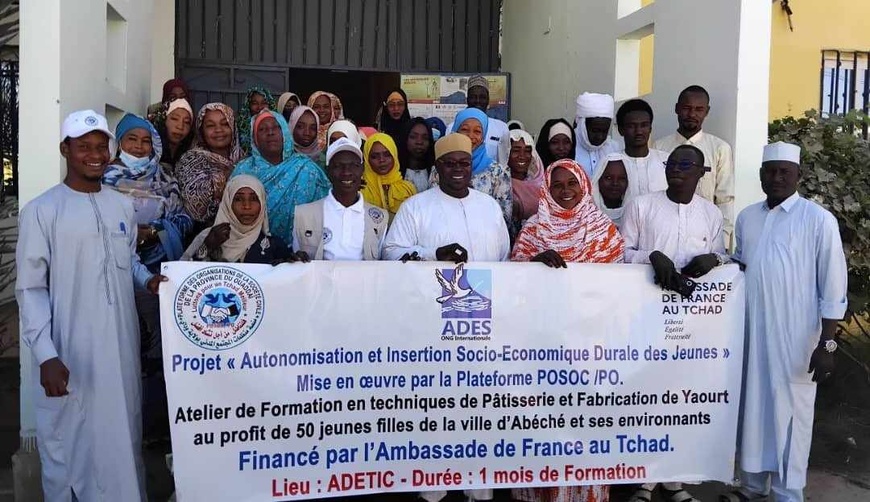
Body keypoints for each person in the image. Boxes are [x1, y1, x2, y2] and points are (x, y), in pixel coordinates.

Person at [16, 110, 165, 501]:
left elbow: (127, 259)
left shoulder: (121, 207)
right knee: (71, 445)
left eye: (101, 147)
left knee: (121, 437)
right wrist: (46, 355)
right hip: (69, 353)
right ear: (66, 149)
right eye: (84, 147)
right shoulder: (42, 211)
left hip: (119, 349)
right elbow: (31, 289)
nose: (95, 155)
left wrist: (147, 280)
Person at [721, 142, 847, 502]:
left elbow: (833, 288)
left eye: (784, 172)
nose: (776, 178)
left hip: (798, 339)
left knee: (793, 413)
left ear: (798, 176)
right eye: (770, 171)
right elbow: (742, 268)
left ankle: (788, 492)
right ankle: (751, 485)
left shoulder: (818, 220)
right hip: (753, 333)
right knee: (754, 408)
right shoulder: (748, 217)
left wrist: (827, 344)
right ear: (761, 175)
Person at [623, 145, 727, 502]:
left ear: (702, 173)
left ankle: (675, 480)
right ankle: (643, 481)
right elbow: (621, 252)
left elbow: (723, 255)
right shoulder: (642, 205)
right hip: (646, 316)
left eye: (687, 165)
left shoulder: (711, 213)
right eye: (672, 164)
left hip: (693, 324)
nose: (677, 170)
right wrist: (650, 256)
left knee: (682, 397)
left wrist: (713, 259)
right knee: (648, 395)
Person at [103, 113, 193, 443]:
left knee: (157, 346)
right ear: (119, 144)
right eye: (132, 140)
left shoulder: (165, 178)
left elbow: (184, 219)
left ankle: (152, 422)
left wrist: (155, 232)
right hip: (112, 274)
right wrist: (129, 235)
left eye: (145, 141)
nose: (139, 147)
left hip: (158, 271)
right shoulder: (103, 181)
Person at [383, 133, 510, 264]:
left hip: (488, 284)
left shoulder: (489, 205)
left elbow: (505, 257)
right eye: (450, 163)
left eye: (465, 163)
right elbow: (391, 252)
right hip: (433, 284)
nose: (458, 169)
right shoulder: (415, 207)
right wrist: (434, 254)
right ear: (437, 166)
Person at [232, 110, 331, 245]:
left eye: (276, 127)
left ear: (284, 132)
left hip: (301, 253)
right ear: (254, 138)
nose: (270, 132)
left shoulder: (307, 169)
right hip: (250, 253)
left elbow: (326, 212)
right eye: (262, 129)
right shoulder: (243, 170)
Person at [654, 85, 735, 245]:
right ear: (677, 109)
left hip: (704, 233)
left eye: (699, 109)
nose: (692, 114)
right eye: (686, 108)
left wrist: (722, 241)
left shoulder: (719, 149)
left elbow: (725, 200)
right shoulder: (658, 147)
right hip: (665, 231)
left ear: (707, 111)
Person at [511, 158, 624, 270]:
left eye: (572, 183)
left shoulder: (602, 225)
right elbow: (515, 272)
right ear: (547, 190)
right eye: (557, 185)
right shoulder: (533, 227)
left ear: (583, 185)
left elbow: (617, 274)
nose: (566, 190)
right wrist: (535, 262)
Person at [293, 138, 388, 260]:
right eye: (338, 166)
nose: (346, 172)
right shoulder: (304, 215)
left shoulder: (378, 218)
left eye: (353, 165)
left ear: (362, 169)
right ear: (328, 171)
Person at [182, 175, 299, 263]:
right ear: (228, 203)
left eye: (254, 199)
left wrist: (297, 265)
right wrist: (207, 246)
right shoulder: (207, 237)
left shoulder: (274, 246)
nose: (247, 206)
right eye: (238, 199)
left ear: (262, 204)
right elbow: (182, 279)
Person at [433, 108, 513, 233]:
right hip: (443, 234)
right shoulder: (441, 167)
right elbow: (431, 205)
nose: (470, 136)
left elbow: (504, 218)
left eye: (477, 131)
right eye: (464, 129)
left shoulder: (498, 173)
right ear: (455, 131)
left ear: (483, 136)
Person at [175, 103, 243, 229]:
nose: (219, 130)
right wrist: (225, 176)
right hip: (206, 234)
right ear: (201, 131)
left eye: (225, 124)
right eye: (210, 126)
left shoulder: (245, 159)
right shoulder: (190, 161)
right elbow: (196, 208)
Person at [446, 75, 509, 159]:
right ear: (467, 99)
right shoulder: (452, 128)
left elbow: (504, 161)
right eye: (473, 97)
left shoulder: (501, 128)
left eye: (482, 97)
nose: (478, 101)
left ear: (488, 100)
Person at [617, 98, 668, 198]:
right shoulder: (613, 164)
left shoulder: (667, 161)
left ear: (650, 128)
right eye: (632, 126)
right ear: (621, 130)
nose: (639, 131)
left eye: (644, 125)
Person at [361, 132, 417, 219]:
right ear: (367, 160)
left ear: (394, 155)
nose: (382, 160)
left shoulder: (407, 189)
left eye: (387, 155)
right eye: (375, 156)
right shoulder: (360, 190)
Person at [498, 129, 544, 232]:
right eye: (515, 151)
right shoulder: (498, 185)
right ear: (505, 153)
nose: (522, 156)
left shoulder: (541, 183)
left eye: (527, 151)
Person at [574, 92, 621, 177]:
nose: (600, 137)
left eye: (604, 131)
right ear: (582, 124)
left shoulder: (614, 149)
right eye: (595, 130)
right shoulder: (568, 147)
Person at [591, 152, 631, 229]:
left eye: (621, 178)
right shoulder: (586, 213)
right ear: (598, 179)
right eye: (608, 178)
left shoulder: (636, 213)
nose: (615, 183)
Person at [398, 117, 436, 193]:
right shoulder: (395, 171)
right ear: (405, 138)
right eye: (413, 137)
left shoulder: (435, 172)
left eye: (425, 138)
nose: (419, 142)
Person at [237, 85, 276, 155]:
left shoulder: (279, 124)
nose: (260, 107)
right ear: (248, 105)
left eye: (264, 103)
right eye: (254, 103)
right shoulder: (240, 126)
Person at [157, 98, 195, 168]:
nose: (180, 126)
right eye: (174, 119)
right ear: (164, 120)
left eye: (186, 122)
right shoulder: (151, 149)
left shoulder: (193, 155)